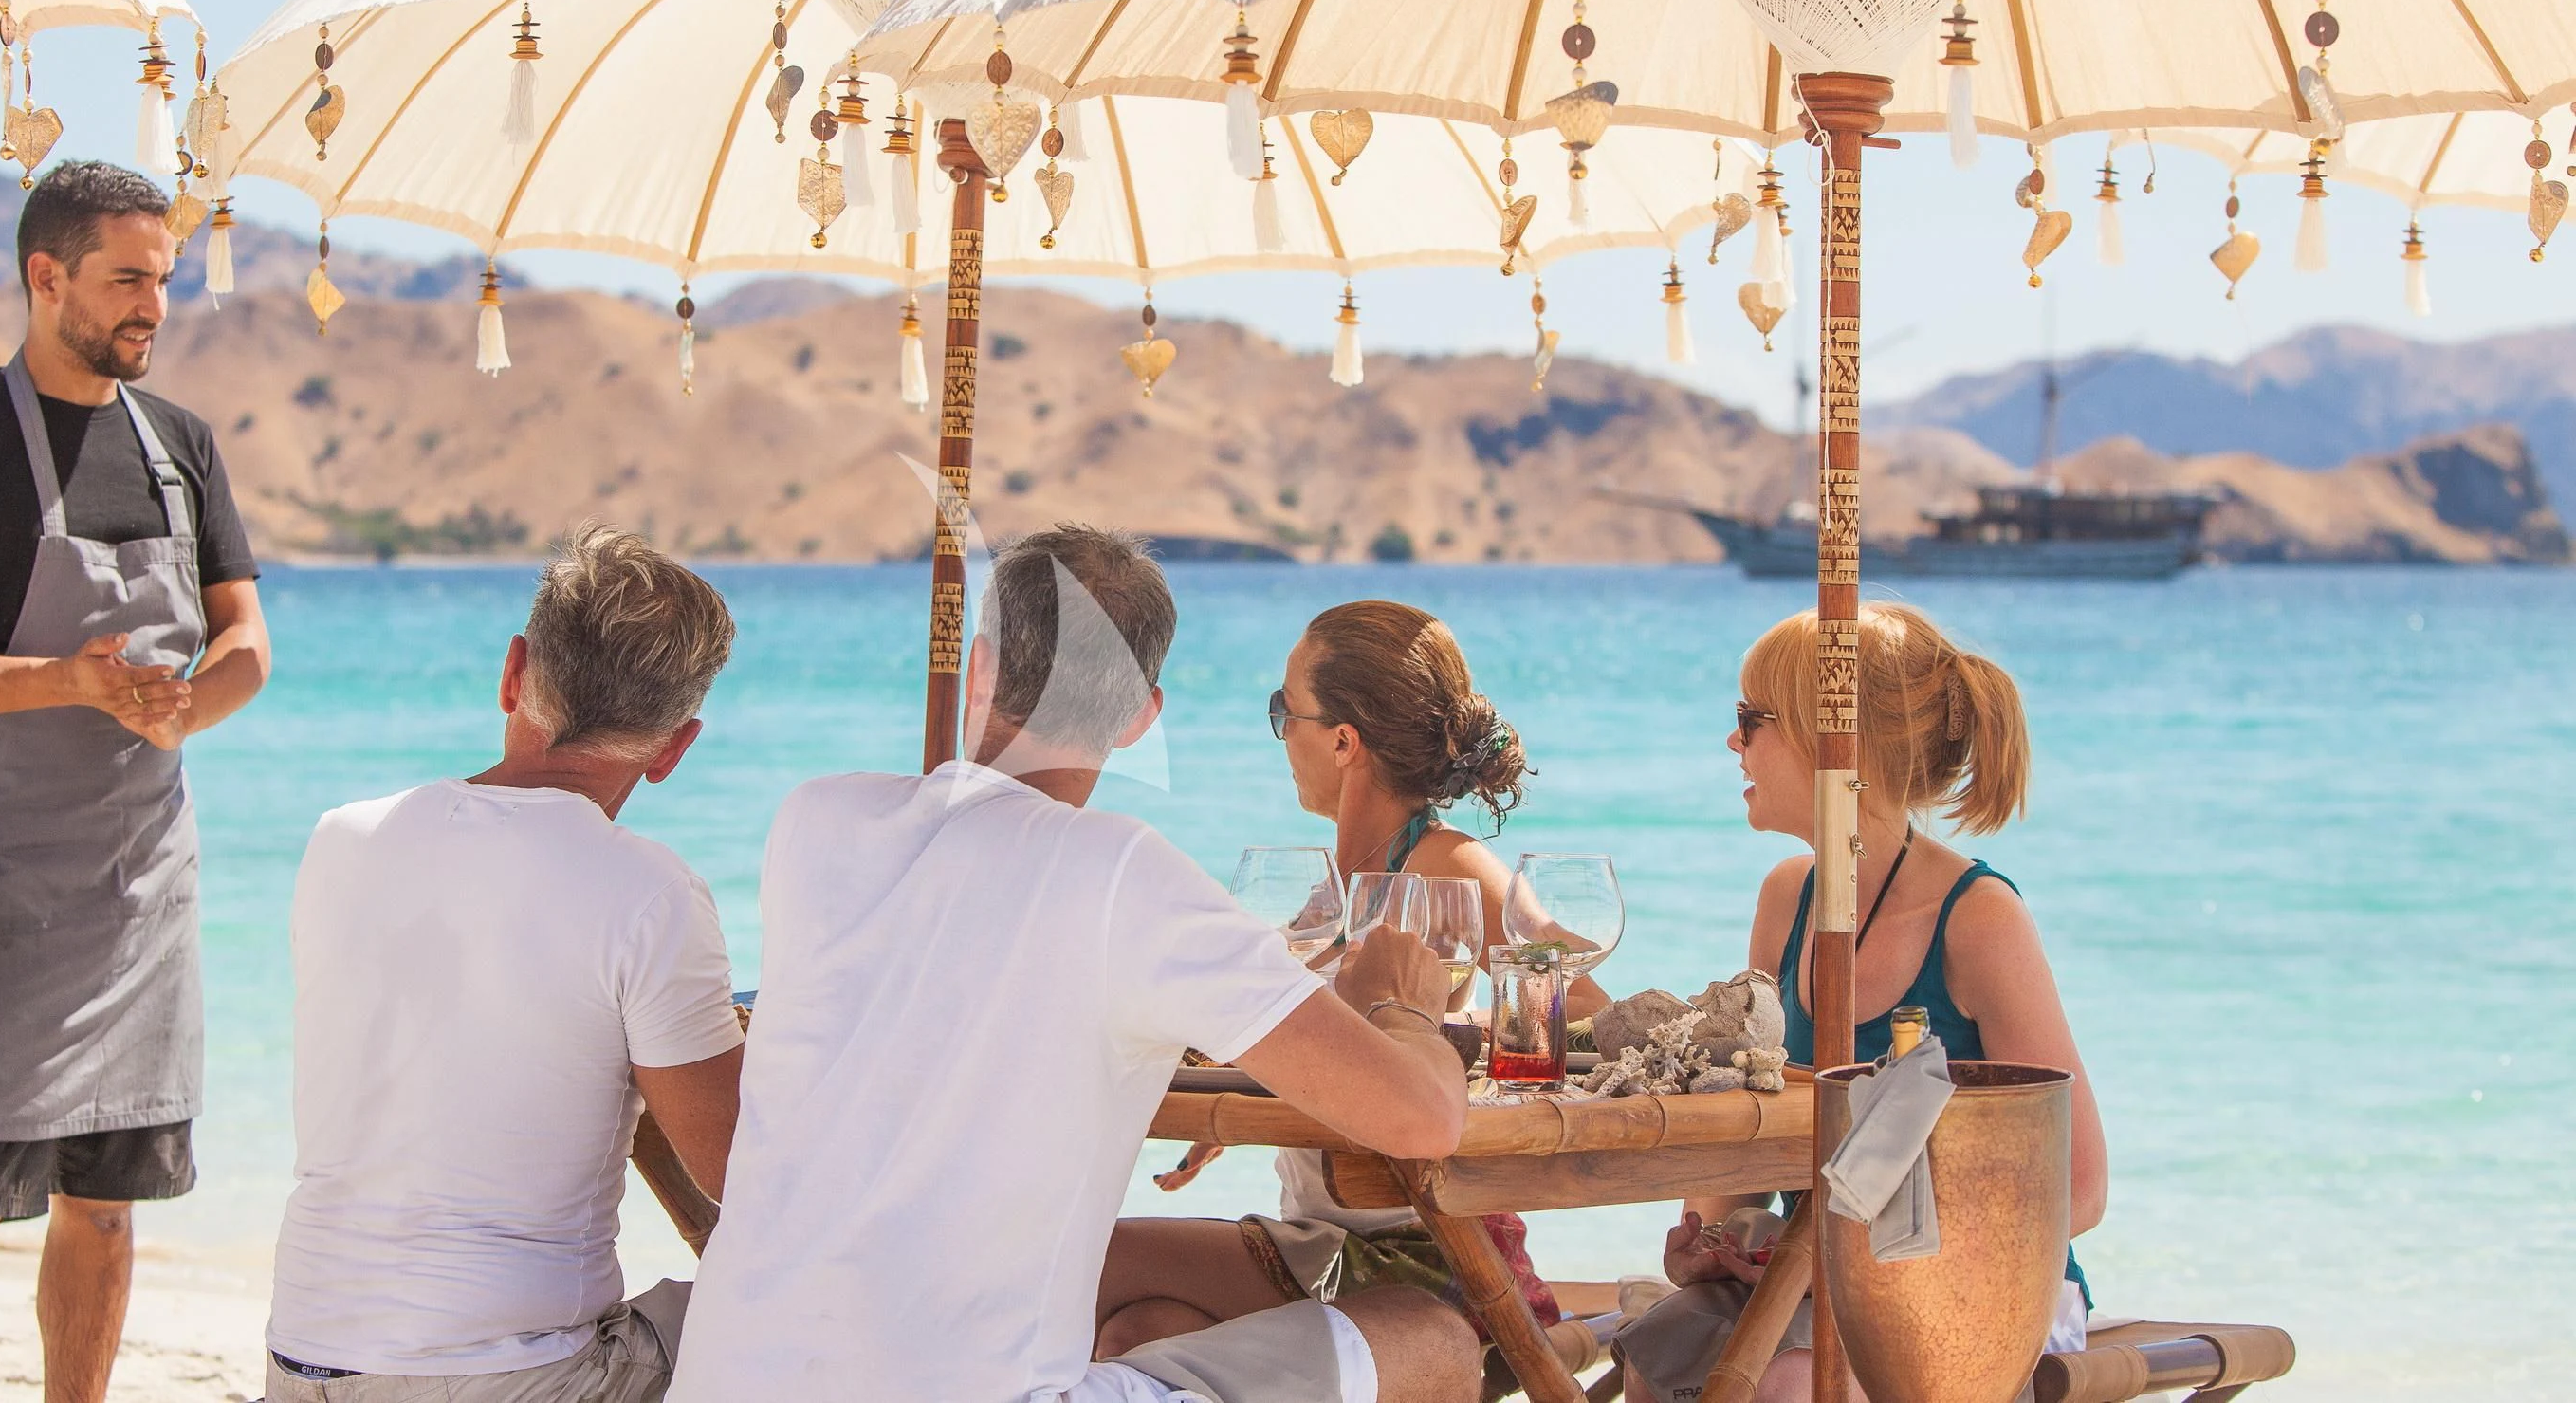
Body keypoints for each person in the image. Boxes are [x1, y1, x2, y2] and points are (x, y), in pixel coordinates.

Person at [667, 526, 1483, 1403]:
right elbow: (1423, 1121)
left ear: (978, 669)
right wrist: (1403, 1006)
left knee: (1154, 1332)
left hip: (727, 1385)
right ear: (1142, 716)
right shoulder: (1129, 879)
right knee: (1433, 1339)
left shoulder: (813, 820)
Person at [0, 159, 270, 1403]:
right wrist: (73, 682)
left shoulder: (181, 448)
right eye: (129, 279)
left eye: (165, 277)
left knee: (107, 1206)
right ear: (48, 278)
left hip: (142, 888)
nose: (156, 303)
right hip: (1, 883)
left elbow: (246, 644)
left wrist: (182, 707)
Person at [265, 525, 745, 1403]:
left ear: (514, 673)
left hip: (304, 1362)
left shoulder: (343, 838)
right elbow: (747, 1173)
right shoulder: (650, 895)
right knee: (802, 1319)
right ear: (677, 746)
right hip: (516, 1379)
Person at [1617, 604, 2108, 1403]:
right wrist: (1706, 1238)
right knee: (1654, 1363)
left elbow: (2077, 1190)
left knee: (1777, 1386)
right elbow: (1758, 1122)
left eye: (1752, 719)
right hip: (1809, 1282)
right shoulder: (1789, 900)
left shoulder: (1977, 919)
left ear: (1833, 742)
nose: (1733, 742)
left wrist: (1834, 1257)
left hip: (1979, 1292)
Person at [1102, 600, 1591, 1394]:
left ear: (1341, 740)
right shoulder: (1326, 898)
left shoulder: (1450, 869)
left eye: (1281, 710)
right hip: (1327, 1238)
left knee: (1098, 1260)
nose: (1279, 733)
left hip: (1433, 1254)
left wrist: (1457, 1044)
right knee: (1142, 1333)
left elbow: (1586, 1020)